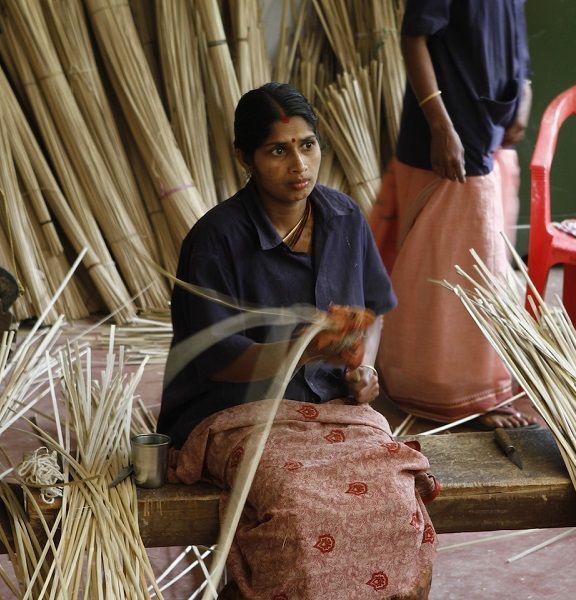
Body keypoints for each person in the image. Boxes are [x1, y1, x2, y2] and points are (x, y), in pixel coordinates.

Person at [158, 82, 437, 599]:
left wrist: (362, 369)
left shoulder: (345, 217)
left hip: (332, 408)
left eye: (307, 145)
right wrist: (308, 347)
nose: (298, 165)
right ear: (245, 157)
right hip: (234, 413)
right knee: (301, 510)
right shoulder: (215, 240)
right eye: (277, 150)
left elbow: (370, 311)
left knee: (398, 498)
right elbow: (220, 364)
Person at [369, 0, 535, 429]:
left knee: (483, 266)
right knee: (451, 275)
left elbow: (511, 27)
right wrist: (442, 128)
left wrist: (525, 90)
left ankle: (468, 385)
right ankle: (454, 394)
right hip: (450, 136)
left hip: (488, 124)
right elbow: (414, 38)